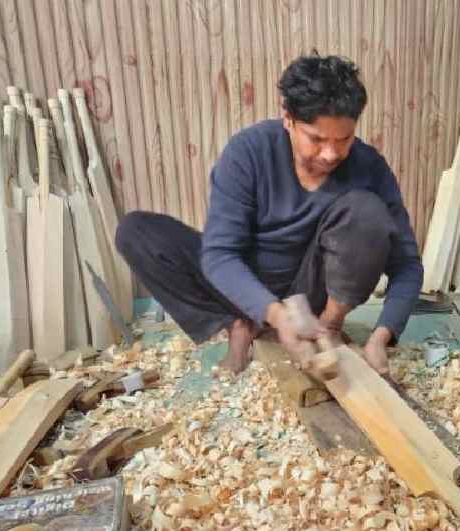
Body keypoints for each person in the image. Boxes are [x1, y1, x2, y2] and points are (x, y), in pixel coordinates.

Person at [116, 53, 423, 375]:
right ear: (288, 118)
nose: (331, 153)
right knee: (137, 232)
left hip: (313, 286)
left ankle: (328, 327)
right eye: (317, 139)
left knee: (366, 211)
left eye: (343, 139)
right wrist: (276, 315)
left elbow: (407, 264)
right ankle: (239, 323)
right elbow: (221, 255)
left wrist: (381, 336)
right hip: (248, 282)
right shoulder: (248, 152)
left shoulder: (369, 166)